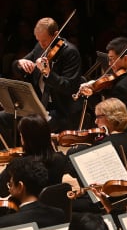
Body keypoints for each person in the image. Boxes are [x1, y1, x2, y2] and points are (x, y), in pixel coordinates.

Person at [0, 17, 82, 147]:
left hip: (59, 109)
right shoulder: (39, 47)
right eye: (38, 40)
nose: (42, 45)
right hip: (37, 105)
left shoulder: (70, 52)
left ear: (55, 34)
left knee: (33, 127)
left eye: (44, 41)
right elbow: (18, 67)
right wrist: (20, 63)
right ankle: (12, 152)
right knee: (2, 118)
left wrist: (48, 74)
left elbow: (69, 87)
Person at [77, 37, 127, 143]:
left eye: (112, 59)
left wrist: (91, 94)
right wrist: (95, 86)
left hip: (121, 133)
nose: (109, 64)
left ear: (125, 58)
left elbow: (105, 114)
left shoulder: (124, 86)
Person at [0, 114, 68, 197]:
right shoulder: (60, 159)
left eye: (21, 136)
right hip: (53, 206)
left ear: (26, 140)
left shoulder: (18, 164)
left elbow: (2, 191)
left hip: (27, 208)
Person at [0, 156, 66, 228]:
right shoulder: (59, 214)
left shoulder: (5, 223)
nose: (9, 189)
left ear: (20, 186)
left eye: (10, 184)